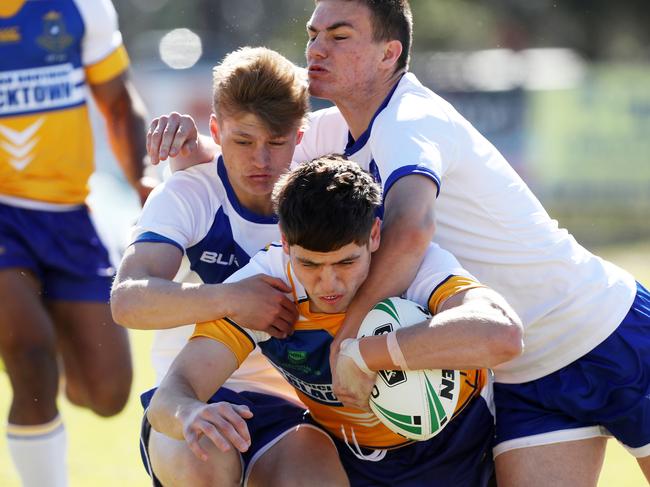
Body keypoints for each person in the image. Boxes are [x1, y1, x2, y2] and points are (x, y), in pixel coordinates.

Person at [150, 1, 650, 485]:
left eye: (339, 36)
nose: (317, 50)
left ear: (389, 53)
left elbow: (411, 229)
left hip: (603, 329)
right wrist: (196, 148)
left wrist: (352, 342)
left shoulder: (408, 119)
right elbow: (259, 154)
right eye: (312, 34)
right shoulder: (335, 134)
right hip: (521, 376)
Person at [148, 156, 523, 486]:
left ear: (374, 235)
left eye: (346, 262)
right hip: (350, 462)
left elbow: (502, 334)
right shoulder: (267, 285)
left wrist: (364, 354)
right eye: (309, 264)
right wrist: (191, 412)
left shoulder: (413, 268)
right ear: (285, 242)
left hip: (456, 448)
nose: (329, 284)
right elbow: (172, 393)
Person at [111, 47, 349, 487]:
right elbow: (128, 299)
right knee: (208, 459)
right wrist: (233, 299)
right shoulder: (187, 195)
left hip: (288, 409)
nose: (261, 161)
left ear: (300, 137)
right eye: (243, 141)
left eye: (276, 142)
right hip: (187, 398)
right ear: (216, 131)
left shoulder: (320, 199)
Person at [0, 1, 153, 486]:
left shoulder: (81, 7)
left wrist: (143, 184)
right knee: (31, 361)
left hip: (70, 217)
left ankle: (44, 324)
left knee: (107, 394)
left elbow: (117, 100)